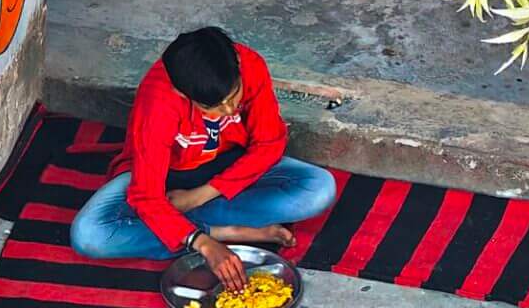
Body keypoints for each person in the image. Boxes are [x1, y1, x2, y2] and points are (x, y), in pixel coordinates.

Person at [69, 27, 338, 291]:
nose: (229, 110)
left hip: (228, 164)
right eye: (212, 107)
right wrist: (203, 243)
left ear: (237, 65)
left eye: (233, 96)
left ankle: (173, 225)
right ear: (181, 93)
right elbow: (146, 194)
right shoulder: (159, 99)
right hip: (165, 176)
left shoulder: (249, 64)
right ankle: (225, 231)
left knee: (318, 189)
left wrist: (199, 196)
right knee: (89, 235)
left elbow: (268, 144)